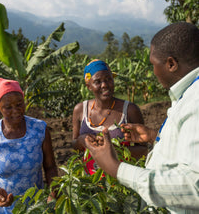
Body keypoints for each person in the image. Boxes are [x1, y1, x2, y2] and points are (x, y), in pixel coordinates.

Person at [84, 22, 199, 213]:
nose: (153, 72)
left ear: (171, 64)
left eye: (154, 64)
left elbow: (194, 186)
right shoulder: (188, 94)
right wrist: (156, 137)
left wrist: (116, 168)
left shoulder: (196, 101)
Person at [0, 78, 58, 214]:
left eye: (19, 104)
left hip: (35, 207)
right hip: (2, 209)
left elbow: (50, 167)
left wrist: (53, 195)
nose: (16, 110)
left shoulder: (39, 129)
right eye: (8, 107)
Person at [72, 59, 148, 175]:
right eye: (98, 82)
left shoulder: (130, 110)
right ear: (89, 86)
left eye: (108, 79)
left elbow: (144, 150)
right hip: (90, 182)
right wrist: (82, 141)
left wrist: (114, 150)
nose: (105, 85)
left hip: (120, 182)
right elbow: (74, 145)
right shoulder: (80, 110)